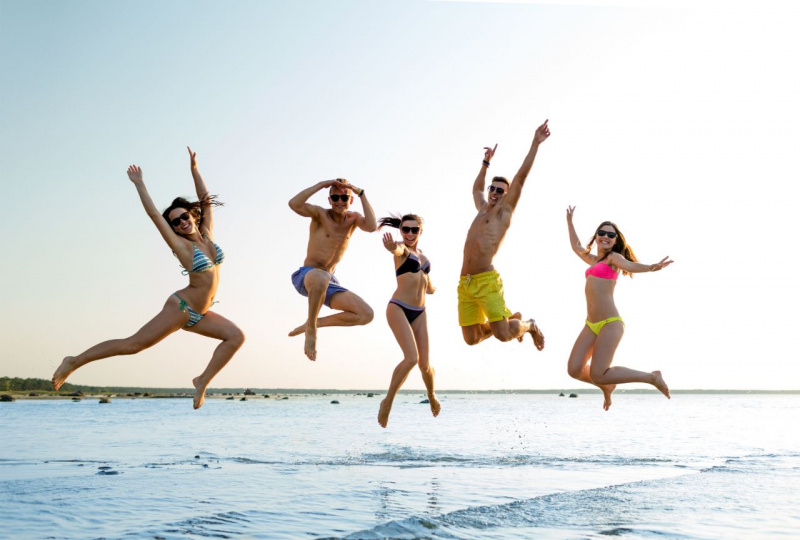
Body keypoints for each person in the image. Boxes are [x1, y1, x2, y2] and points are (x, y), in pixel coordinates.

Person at [52, 148, 245, 409]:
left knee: (235, 336)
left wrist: (195, 169)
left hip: (202, 313)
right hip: (182, 308)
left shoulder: (207, 235)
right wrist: (140, 184)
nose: (181, 223)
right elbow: (155, 215)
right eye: (175, 222)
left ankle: (202, 381)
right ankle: (74, 360)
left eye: (184, 216)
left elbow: (206, 201)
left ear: (192, 215)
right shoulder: (182, 247)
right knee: (133, 345)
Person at [566, 206, 673, 410]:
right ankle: (607, 385)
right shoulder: (592, 260)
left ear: (615, 240)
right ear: (596, 236)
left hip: (610, 323)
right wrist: (570, 221)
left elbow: (631, 266)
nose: (606, 236)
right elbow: (576, 245)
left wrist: (651, 267)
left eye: (611, 235)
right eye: (602, 233)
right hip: (591, 324)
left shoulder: (613, 259)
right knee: (574, 369)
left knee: (598, 373)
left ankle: (651, 377)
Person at [459, 120, 550, 349]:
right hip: (465, 283)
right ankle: (509, 321)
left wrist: (535, 143)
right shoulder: (482, 208)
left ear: (506, 195)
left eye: (501, 190)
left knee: (502, 335)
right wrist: (485, 163)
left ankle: (529, 325)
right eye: (493, 188)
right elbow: (476, 188)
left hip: (487, 282)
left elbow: (520, 177)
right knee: (471, 339)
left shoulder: (504, 212)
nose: (494, 192)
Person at [288, 178, 377, 361]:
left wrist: (362, 194)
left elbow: (372, 226)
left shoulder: (353, 219)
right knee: (320, 276)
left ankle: (314, 323)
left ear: (350, 201)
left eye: (344, 198)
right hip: (308, 276)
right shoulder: (320, 214)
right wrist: (322, 185)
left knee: (366, 314)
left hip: (329, 281)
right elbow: (294, 204)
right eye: (335, 197)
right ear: (329, 200)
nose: (339, 201)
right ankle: (311, 330)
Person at [376, 214, 439, 428]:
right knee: (411, 358)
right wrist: (392, 246)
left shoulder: (423, 256)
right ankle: (388, 402)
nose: (409, 234)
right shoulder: (401, 250)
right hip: (398, 308)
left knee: (424, 365)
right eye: (405, 230)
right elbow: (397, 250)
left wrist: (432, 287)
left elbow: (427, 285)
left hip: (420, 312)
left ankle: (431, 395)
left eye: (414, 230)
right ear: (401, 231)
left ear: (421, 232)